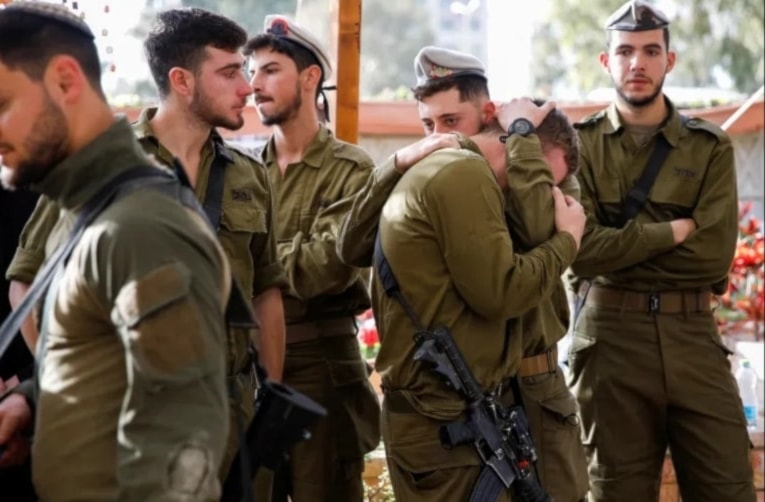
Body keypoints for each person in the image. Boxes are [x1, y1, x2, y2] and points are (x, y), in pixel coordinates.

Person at [4, 7, 289, 486]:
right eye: (229, 71)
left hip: (231, 412)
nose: (246, 86)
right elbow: (27, 282)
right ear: (181, 80)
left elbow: (266, 294)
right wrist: (58, 388)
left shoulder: (249, 175)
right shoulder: (102, 170)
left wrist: (270, 397)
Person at [337, 46, 589, 501]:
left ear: (489, 113)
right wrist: (399, 161)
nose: (438, 137)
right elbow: (350, 245)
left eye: (451, 122)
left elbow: (535, 225)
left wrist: (521, 137)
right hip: (459, 396)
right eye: (427, 126)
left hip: (528, 381)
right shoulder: (446, 172)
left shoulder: (537, 160)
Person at [568, 1, 756, 501]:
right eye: (625, 51)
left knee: (726, 487)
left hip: (693, 336)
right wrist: (673, 231)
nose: (638, 63)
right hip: (610, 345)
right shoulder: (578, 147)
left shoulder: (708, 146)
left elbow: (712, 258)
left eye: (651, 51)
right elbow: (579, 252)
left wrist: (616, 248)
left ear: (669, 62)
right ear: (606, 62)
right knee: (615, 493)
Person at [244, 15, 381, 502]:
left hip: (321, 366)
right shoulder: (242, 172)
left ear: (309, 78)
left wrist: (252, 265)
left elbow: (325, 266)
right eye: (251, 72)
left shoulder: (352, 168)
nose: (254, 84)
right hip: (253, 364)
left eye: (270, 70)